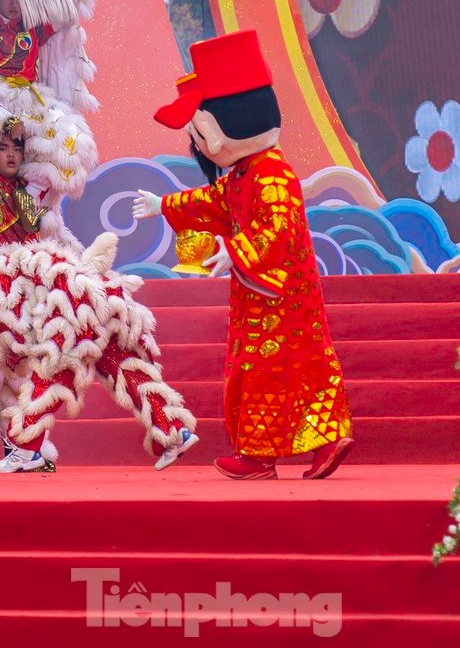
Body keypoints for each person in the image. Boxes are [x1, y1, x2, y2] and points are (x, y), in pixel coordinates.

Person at [134, 30, 352, 481]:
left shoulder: (271, 174)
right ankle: (302, 446)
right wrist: (165, 206)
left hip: (282, 300)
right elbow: (214, 202)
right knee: (279, 370)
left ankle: (266, 454)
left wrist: (237, 251)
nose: (200, 145)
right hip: (266, 297)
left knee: (267, 371)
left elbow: (279, 228)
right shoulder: (246, 174)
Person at [0, 120, 43, 246]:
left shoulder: (32, 185)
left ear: (24, 155)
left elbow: (33, 228)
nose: (11, 154)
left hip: (27, 258)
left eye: (17, 149)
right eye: (3, 149)